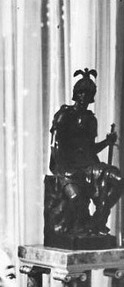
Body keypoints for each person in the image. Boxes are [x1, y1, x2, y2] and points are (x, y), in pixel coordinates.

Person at [49, 68, 123, 234]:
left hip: (89, 166)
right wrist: (62, 171)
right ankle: (84, 225)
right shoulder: (64, 115)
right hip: (67, 168)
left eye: (88, 94)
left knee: (118, 180)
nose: (84, 97)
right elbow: (54, 145)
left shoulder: (91, 119)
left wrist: (107, 142)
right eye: (82, 92)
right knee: (76, 198)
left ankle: (98, 219)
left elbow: (91, 149)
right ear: (76, 93)